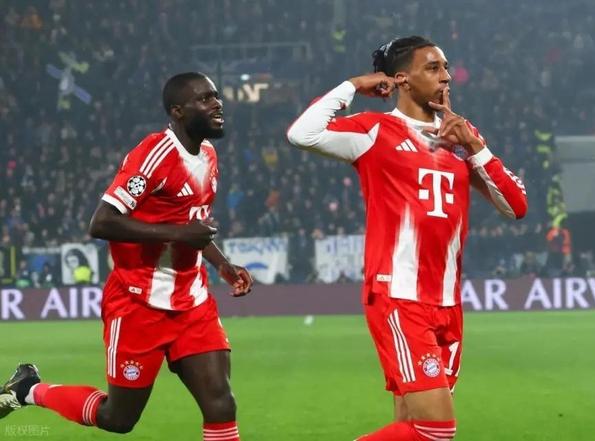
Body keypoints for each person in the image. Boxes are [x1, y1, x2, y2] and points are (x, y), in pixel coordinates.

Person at [287, 36, 527, 440]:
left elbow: (515, 206)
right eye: (432, 68)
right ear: (402, 79)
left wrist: (474, 147)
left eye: (445, 67)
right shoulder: (375, 130)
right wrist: (353, 86)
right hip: (399, 295)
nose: (446, 76)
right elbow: (302, 134)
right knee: (437, 430)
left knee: (410, 427)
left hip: (447, 301)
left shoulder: (460, 135)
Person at [0, 72, 254, 441]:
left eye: (216, 96)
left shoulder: (209, 156)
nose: (217, 104)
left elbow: (191, 225)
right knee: (118, 418)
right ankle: (29, 390)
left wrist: (223, 265)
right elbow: (102, 222)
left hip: (193, 303)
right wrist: (180, 234)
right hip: (138, 305)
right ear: (178, 111)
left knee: (221, 404)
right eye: (205, 99)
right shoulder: (154, 154)